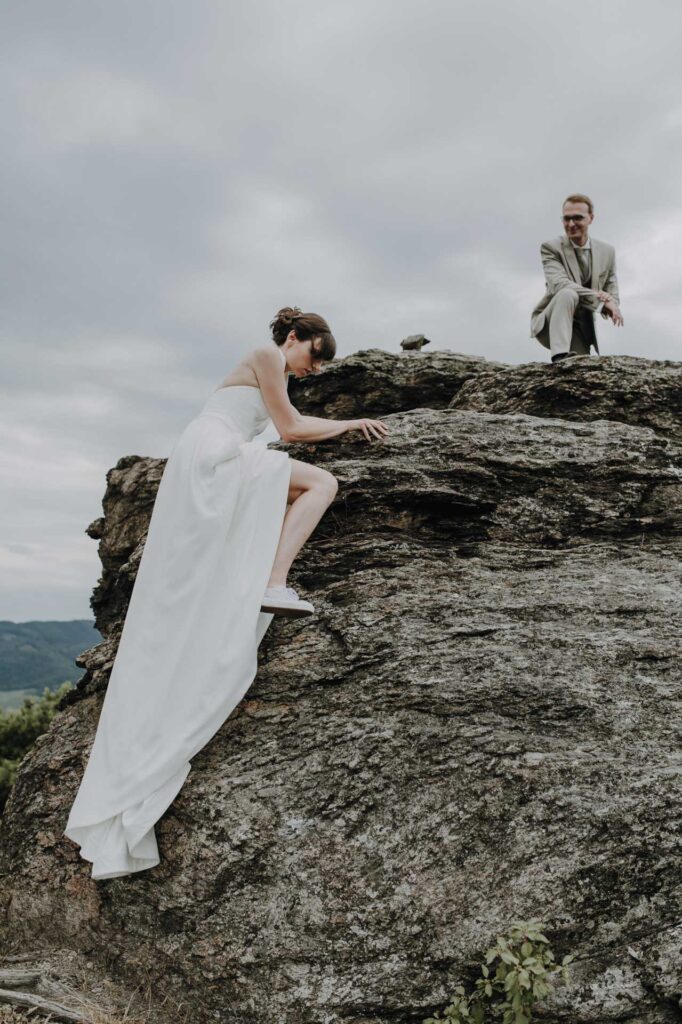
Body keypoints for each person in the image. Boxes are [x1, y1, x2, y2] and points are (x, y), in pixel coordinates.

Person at [64, 306, 389, 879]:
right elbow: (290, 429)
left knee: (314, 485)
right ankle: (273, 581)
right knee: (324, 483)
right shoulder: (267, 356)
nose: (313, 369)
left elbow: (289, 421)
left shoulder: (279, 369)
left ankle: (270, 580)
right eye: (313, 356)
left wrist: (331, 423)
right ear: (294, 339)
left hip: (217, 453)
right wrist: (345, 427)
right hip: (214, 455)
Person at [531, 193, 623, 362]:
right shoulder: (550, 248)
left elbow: (612, 293)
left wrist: (610, 301)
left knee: (580, 374)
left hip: (582, 328)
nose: (571, 224)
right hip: (551, 323)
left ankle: (569, 357)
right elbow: (559, 284)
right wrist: (599, 298)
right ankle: (559, 357)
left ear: (591, 218)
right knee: (567, 293)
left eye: (577, 218)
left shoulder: (607, 251)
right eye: (566, 219)